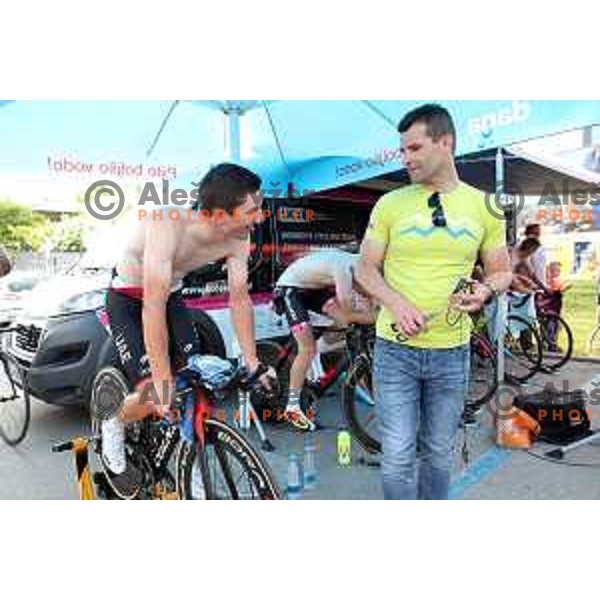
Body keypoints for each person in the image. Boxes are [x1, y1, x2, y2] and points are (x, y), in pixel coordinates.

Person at [357, 104, 513, 500]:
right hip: (396, 352)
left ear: (446, 143)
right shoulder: (390, 204)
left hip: (452, 353)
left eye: (414, 148)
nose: (405, 158)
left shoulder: (484, 206)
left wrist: (486, 290)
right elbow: (365, 271)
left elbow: (501, 271)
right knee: (397, 453)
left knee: (440, 454)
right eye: (402, 151)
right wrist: (396, 302)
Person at [101, 163, 275, 499]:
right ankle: (115, 423)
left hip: (171, 294)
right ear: (220, 216)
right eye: (252, 210)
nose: (259, 217)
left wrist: (252, 360)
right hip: (129, 297)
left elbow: (239, 298)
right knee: (159, 389)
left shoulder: (238, 236)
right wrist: (164, 380)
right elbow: (152, 306)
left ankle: (194, 461)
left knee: (192, 377)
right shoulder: (167, 224)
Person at [274, 249, 375, 431]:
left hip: (313, 290)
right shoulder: (345, 267)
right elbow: (348, 308)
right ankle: (293, 407)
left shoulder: (361, 267)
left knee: (345, 322)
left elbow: (367, 300)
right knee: (307, 348)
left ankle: (321, 351)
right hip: (290, 289)